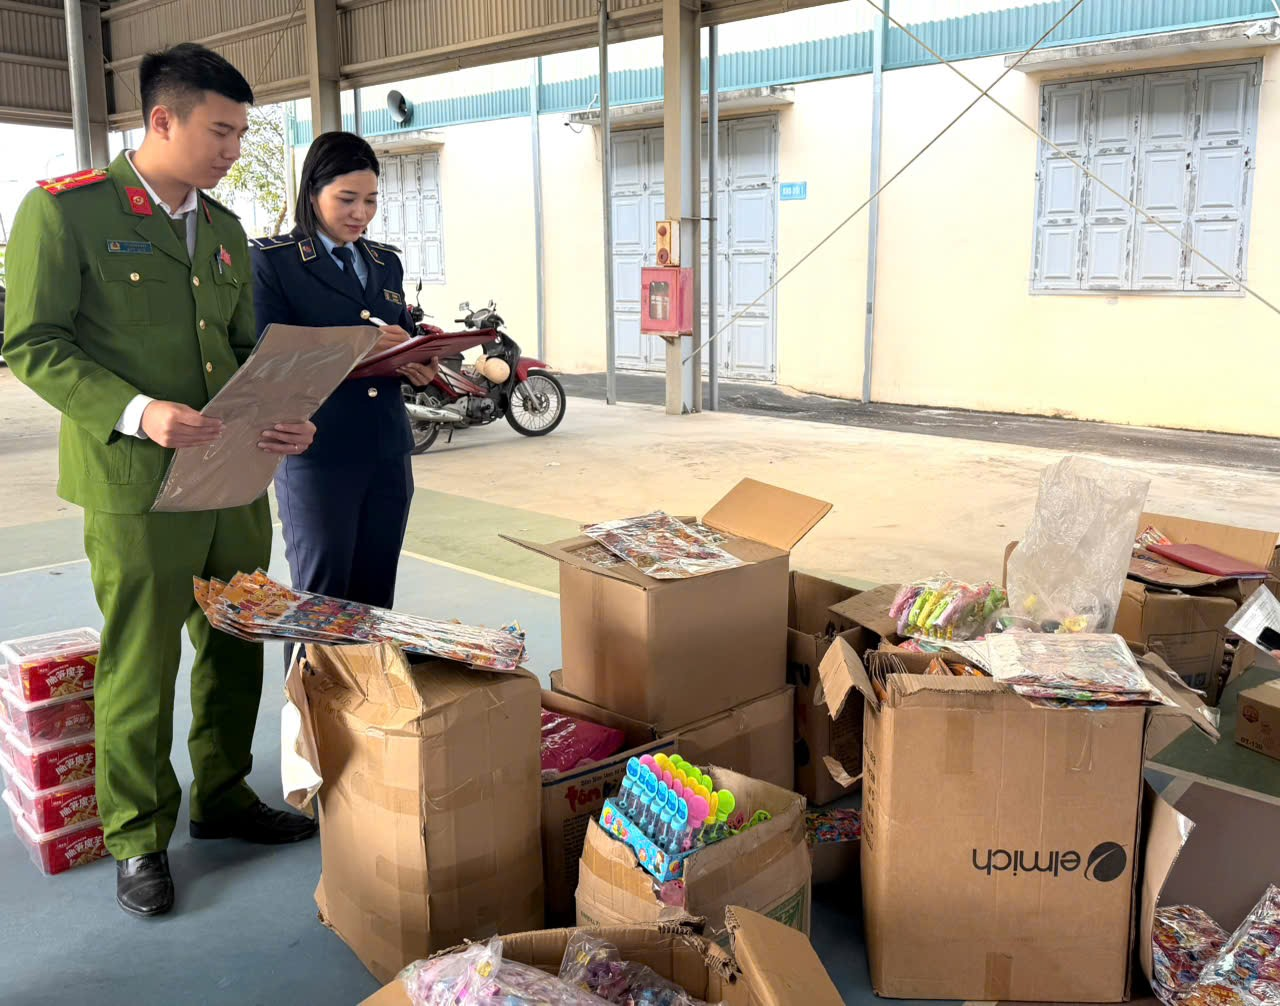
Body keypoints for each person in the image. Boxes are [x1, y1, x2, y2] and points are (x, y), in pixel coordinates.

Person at [3, 43, 319, 919]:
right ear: (162, 119)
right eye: (220, 131)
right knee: (141, 660)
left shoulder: (221, 229)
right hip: (135, 481)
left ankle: (223, 795)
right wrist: (139, 411)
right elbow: (32, 344)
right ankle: (138, 833)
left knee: (234, 642)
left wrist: (286, 413)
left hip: (232, 476)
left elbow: (244, 348)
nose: (233, 149)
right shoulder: (65, 212)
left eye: (241, 134)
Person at [251, 132, 435, 612]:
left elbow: (401, 332)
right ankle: (309, 670)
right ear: (313, 193)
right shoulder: (274, 263)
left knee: (375, 596)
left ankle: (368, 669)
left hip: (387, 450)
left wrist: (417, 361)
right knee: (321, 600)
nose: (361, 213)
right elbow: (266, 357)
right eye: (347, 199)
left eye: (371, 200)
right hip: (319, 451)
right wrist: (357, 345)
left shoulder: (384, 263)